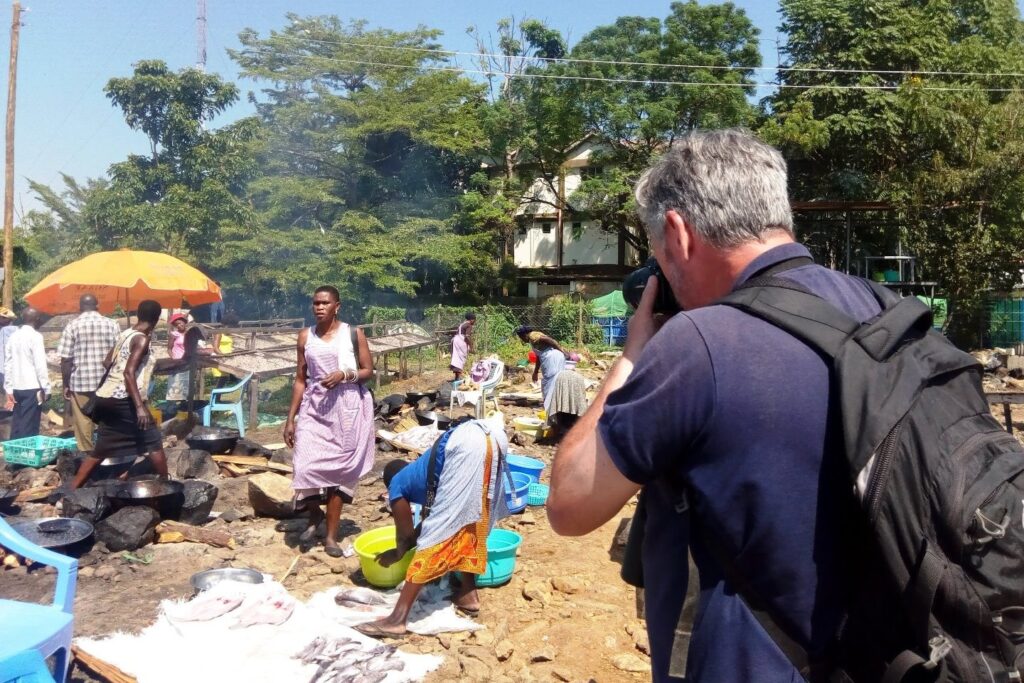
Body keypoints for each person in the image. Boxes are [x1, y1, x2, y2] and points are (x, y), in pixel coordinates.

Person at [548, 129, 884, 682]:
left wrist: (634, 354)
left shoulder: (700, 344)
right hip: (886, 653)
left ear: (677, 233)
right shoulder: (887, 311)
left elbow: (569, 504)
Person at [355, 417, 510, 639]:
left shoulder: (397, 483)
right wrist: (413, 540)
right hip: (493, 437)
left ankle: (397, 619)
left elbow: (409, 536)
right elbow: (426, 523)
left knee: (439, 533)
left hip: (467, 442)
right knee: (471, 522)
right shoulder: (429, 475)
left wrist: (398, 553)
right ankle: (468, 595)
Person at [283, 286, 375, 557]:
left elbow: (368, 370)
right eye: (315, 303)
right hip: (315, 408)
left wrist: (344, 374)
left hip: (347, 408)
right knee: (303, 465)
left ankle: (332, 537)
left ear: (337, 306)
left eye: (325, 303)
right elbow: (300, 380)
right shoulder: (305, 337)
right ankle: (315, 515)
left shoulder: (353, 333)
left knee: (341, 473)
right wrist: (291, 419)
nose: (319, 307)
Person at [57, 293, 120, 456]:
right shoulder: (112, 324)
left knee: (84, 422)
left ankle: (87, 457)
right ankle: (109, 453)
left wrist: (66, 384)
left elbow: (66, 360)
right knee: (107, 420)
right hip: (108, 383)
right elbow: (119, 354)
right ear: (97, 306)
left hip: (81, 382)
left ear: (80, 307)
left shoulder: (72, 326)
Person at [3, 307, 50, 439]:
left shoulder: (13, 336)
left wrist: (9, 388)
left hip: (17, 386)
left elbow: (8, 363)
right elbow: (40, 365)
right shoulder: (36, 337)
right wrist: (47, 387)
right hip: (32, 386)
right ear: (37, 319)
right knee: (29, 423)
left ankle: (14, 452)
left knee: (17, 422)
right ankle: (25, 454)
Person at [515, 326, 570, 412]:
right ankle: (555, 404)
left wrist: (562, 350)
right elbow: (538, 356)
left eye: (521, 337)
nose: (521, 339)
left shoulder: (532, 336)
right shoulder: (532, 339)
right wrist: (535, 372)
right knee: (555, 380)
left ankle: (549, 405)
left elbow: (549, 340)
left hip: (551, 358)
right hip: (552, 357)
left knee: (548, 381)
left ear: (524, 335)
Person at [165, 313, 190, 402]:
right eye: (177, 325)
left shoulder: (190, 333)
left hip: (187, 363)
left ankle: (184, 404)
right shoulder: (174, 334)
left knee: (185, 384)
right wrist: (173, 359)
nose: (179, 326)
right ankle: (173, 405)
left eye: (180, 323)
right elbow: (169, 349)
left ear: (184, 322)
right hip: (177, 363)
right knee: (175, 383)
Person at [450, 312, 475, 381]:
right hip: (461, 341)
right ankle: (458, 378)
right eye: (474, 320)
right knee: (460, 358)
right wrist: (471, 346)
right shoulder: (469, 325)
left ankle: (457, 376)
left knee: (456, 358)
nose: (474, 322)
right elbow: (467, 336)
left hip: (455, 340)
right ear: (471, 319)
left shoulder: (462, 324)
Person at [0, 306, 17, 402]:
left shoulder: (5, 331)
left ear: (6, 319)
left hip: (4, 366)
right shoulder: (16, 329)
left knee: (7, 388)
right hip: (9, 366)